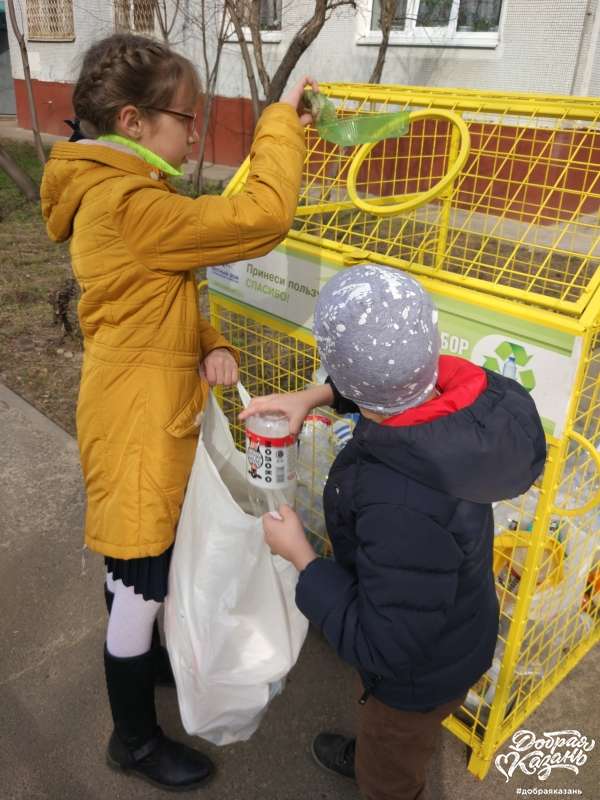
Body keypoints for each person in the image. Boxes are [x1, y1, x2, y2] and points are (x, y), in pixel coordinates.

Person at [41, 31, 317, 792]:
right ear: (133, 122)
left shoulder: (125, 197)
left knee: (140, 564)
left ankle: (149, 661)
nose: (194, 132)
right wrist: (280, 122)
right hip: (135, 425)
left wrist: (211, 341)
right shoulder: (131, 203)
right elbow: (262, 216)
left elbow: (148, 296)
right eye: (186, 117)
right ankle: (131, 739)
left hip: (136, 403)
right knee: (138, 586)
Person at [239, 265, 546, 800]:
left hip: (414, 677)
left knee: (392, 762)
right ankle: (376, 753)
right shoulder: (464, 406)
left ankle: (380, 772)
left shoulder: (399, 501)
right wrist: (316, 396)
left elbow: (385, 646)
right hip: (450, 627)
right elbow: (392, 384)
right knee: (388, 733)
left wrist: (304, 560)